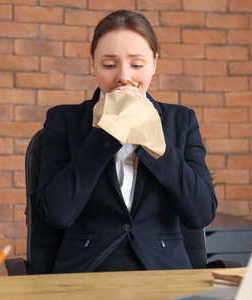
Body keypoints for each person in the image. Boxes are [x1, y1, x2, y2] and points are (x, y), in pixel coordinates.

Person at [37, 10, 217, 273]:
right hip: (88, 269)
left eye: (137, 65)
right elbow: (57, 213)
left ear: (154, 63)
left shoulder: (182, 121)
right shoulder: (63, 120)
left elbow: (200, 213)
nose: (124, 76)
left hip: (164, 270)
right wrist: (107, 133)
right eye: (109, 65)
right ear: (93, 65)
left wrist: (156, 144)